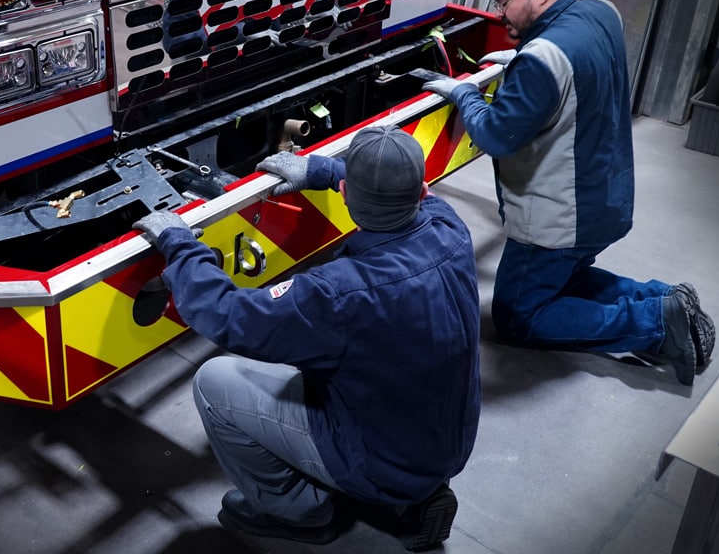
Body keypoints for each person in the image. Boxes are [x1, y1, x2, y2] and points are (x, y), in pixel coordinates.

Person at [133, 125, 480, 550]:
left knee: (215, 383)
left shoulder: (338, 292)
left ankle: (303, 512)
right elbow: (409, 197)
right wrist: (322, 170)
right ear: (423, 190)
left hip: (377, 461)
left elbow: (230, 317)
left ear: (347, 195)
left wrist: (180, 245)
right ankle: (419, 491)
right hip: (448, 444)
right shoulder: (449, 227)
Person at [421, 0, 715, 386]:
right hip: (607, 199)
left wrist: (465, 94)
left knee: (519, 313)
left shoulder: (543, 59)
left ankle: (656, 322)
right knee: (563, 280)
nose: (499, 13)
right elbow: (577, 63)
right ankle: (667, 300)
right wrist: (521, 63)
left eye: (503, 1)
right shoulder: (602, 12)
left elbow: (496, 135)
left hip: (559, 219)